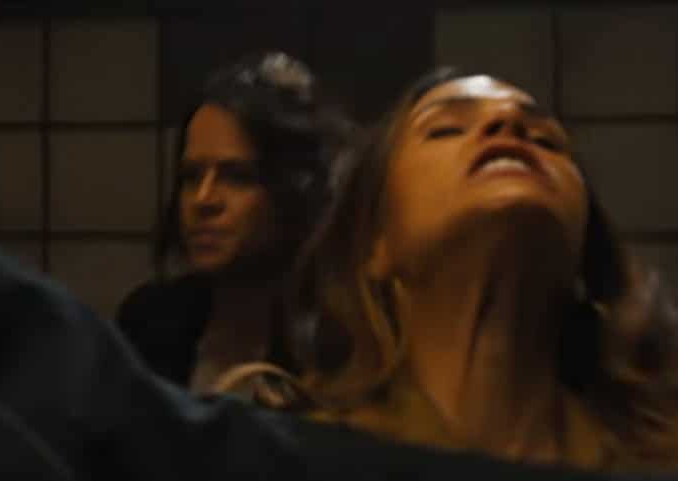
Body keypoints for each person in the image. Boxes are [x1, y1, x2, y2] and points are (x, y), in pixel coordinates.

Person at [0, 205, 674, 481]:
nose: (205, 201)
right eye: (450, 125)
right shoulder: (266, 392)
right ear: (373, 239)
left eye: (537, 129)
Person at [224, 67, 678, 472]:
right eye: (445, 130)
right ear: (375, 243)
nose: (509, 122)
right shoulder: (289, 457)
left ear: (584, 243)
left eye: (546, 140)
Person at [115, 51, 356, 392]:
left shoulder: (339, 337)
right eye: (191, 176)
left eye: (237, 177)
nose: (203, 200)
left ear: (294, 189)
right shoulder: (151, 321)